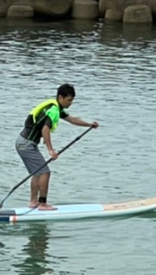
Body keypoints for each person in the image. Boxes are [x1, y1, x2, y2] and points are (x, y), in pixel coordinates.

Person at [16, 83, 99, 211]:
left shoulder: (54, 106)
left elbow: (72, 119)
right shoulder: (54, 110)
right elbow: (45, 130)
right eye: (69, 100)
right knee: (45, 172)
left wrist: (89, 124)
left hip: (22, 142)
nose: (71, 103)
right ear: (61, 97)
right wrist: (51, 150)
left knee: (37, 173)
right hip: (26, 144)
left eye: (72, 100)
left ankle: (33, 202)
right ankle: (42, 204)